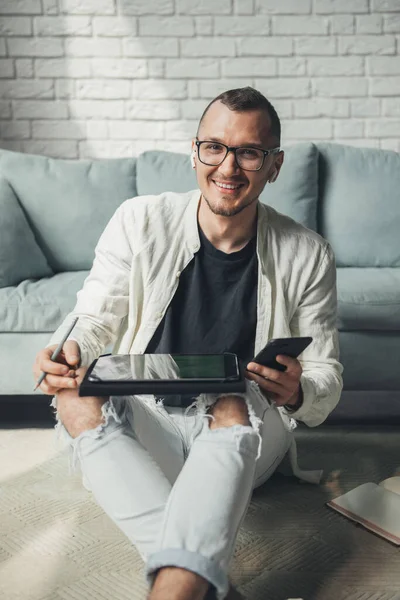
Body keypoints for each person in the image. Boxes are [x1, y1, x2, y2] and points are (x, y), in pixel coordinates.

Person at [33, 87, 343, 600]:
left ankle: (176, 584)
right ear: (194, 150)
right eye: (214, 147)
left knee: (235, 391)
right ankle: (194, 582)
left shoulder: (308, 253)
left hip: (240, 434)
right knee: (74, 398)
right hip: (145, 422)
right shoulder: (138, 219)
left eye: (249, 152)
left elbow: (326, 373)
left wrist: (297, 390)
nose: (228, 167)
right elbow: (94, 316)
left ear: (275, 165)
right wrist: (72, 351)